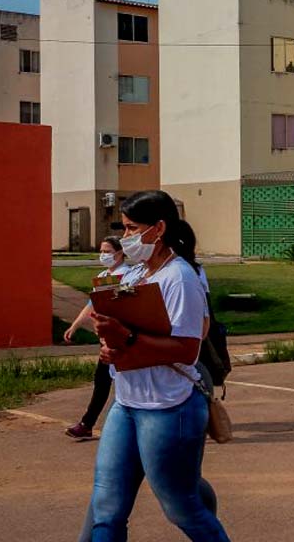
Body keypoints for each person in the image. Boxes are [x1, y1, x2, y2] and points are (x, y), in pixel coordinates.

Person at [85, 190, 229, 541]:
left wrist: (127, 339)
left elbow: (186, 348)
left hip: (169, 408)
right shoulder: (134, 275)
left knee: (182, 507)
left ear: (159, 228)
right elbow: (129, 330)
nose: (126, 238)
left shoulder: (180, 277)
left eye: (133, 229)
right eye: (124, 228)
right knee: (106, 509)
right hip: (127, 402)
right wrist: (110, 344)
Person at [63, 237, 132, 440]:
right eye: (101, 251)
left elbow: (125, 305)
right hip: (107, 339)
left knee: (123, 383)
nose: (103, 255)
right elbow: (93, 304)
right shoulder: (103, 276)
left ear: (119, 253)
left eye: (108, 251)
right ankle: (87, 423)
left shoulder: (128, 276)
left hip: (122, 338)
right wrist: (75, 326)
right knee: (102, 381)